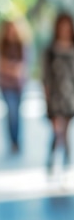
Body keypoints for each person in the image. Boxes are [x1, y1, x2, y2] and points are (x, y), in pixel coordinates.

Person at [42, 11, 74, 173]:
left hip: (70, 97)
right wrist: (46, 96)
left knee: (65, 130)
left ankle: (67, 159)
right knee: (56, 130)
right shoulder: (51, 50)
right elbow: (46, 76)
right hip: (55, 96)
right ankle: (53, 157)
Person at [0, 19, 28, 153]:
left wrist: (9, 66)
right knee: (11, 113)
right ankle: (13, 141)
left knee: (17, 114)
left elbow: (22, 68)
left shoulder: (22, 45)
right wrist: (12, 67)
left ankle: (17, 139)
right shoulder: (1, 46)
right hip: (6, 86)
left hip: (19, 86)